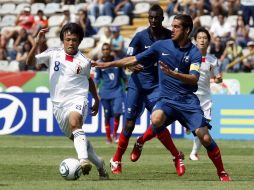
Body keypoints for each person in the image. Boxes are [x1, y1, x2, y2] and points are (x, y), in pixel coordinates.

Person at [92, 14, 231, 182]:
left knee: (206, 137)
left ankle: (222, 173)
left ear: (187, 30)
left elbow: (194, 78)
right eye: (172, 26)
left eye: (176, 27)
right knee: (156, 118)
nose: (172, 29)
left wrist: (173, 74)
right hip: (167, 100)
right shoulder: (160, 46)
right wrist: (106, 64)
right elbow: (133, 59)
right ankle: (143, 144)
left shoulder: (194, 52)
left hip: (187, 101)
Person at [99, 4, 185, 176]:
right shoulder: (139, 37)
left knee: (158, 122)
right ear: (148, 18)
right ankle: (116, 159)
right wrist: (131, 67)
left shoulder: (170, 37)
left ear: (162, 19)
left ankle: (176, 156)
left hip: (156, 87)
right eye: (150, 17)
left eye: (157, 18)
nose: (153, 21)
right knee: (129, 124)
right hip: (137, 85)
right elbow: (128, 59)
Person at [26, 23, 109, 180]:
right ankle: (99, 164)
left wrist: (96, 99)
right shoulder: (52, 54)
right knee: (77, 136)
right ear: (63, 40)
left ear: (79, 41)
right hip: (58, 106)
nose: (71, 43)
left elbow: (89, 80)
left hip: (78, 99)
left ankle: (83, 160)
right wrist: (37, 43)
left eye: (75, 40)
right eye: (68, 39)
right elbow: (30, 62)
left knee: (75, 121)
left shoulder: (84, 61)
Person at [188, 27, 222, 161]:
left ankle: (193, 153)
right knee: (197, 127)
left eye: (205, 38)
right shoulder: (189, 56)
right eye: (199, 38)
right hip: (191, 95)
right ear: (195, 41)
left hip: (206, 98)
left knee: (204, 127)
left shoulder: (212, 60)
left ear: (208, 41)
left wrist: (218, 79)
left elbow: (218, 78)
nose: (202, 40)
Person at [95, 43, 127, 144]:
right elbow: (97, 79)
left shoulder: (117, 61)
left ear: (110, 50)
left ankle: (115, 134)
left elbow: (124, 77)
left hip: (117, 91)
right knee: (107, 115)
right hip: (105, 92)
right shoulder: (99, 63)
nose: (105, 51)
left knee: (117, 114)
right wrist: (96, 92)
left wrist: (127, 87)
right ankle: (108, 137)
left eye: (107, 49)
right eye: (103, 49)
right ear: (102, 51)